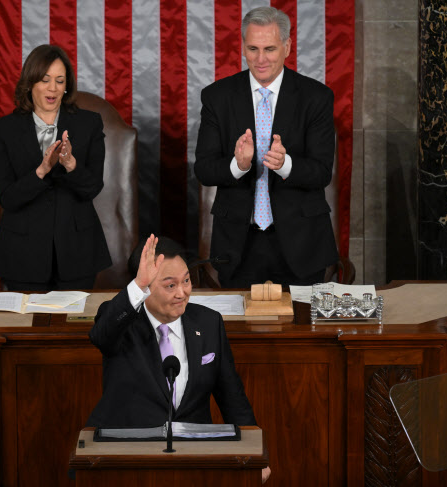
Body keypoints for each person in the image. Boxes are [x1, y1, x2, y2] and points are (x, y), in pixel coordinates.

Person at [86, 235, 271, 483]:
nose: (182, 293)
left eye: (186, 281)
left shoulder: (208, 322)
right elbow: (101, 336)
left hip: (193, 458)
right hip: (128, 457)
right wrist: (138, 285)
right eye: (170, 285)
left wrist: (255, 455)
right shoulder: (122, 321)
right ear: (145, 287)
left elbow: (232, 397)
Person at [194, 6, 338, 288]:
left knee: (301, 331)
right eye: (253, 49)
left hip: (301, 244)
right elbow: (204, 170)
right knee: (237, 332)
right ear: (243, 47)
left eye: (270, 49)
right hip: (239, 244)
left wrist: (285, 164)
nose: (260, 59)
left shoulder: (316, 97)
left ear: (287, 46)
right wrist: (239, 165)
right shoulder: (217, 97)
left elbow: (322, 172)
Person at [0, 44, 111, 291]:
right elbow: (9, 198)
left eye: (59, 80)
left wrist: (71, 165)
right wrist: (41, 171)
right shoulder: (5, 129)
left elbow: (92, 188)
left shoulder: (89, 124)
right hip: (23, 254)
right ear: (30, 83)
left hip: (77, 251)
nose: (53, 89)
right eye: (45, 80)